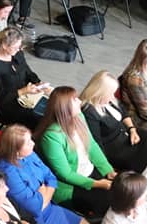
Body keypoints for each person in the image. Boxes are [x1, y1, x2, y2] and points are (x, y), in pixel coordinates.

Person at [36, 86, 115, 216]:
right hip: (71, 185)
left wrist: (108, 170)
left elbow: (92, 145)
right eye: (75, 99)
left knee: (118, 194)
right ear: (65, 107)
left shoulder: (79, 117)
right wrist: (97, 184)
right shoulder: (51, 136)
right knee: (107, 204)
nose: (80, 101)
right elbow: (66, 174)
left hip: (89, 172)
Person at [0, 125, 86, 224]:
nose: (33, 143)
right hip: (37, 218)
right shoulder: (9, 174)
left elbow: (51, 177)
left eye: (31, 139)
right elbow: (34, 208)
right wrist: (46, 191)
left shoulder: (29, 154)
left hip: (50, 207)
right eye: (28, 143)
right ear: (16, 151)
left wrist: (44, 194)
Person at [79, 71, 144, 173]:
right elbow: (96, 142)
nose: (112, 97)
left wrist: (132, 129)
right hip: (115, 150)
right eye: (110, 93)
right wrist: (106, 166)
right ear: (100, 92)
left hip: (126, 134)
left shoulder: (109, 100)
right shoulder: (89, 112)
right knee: (145, 159)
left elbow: (123, 112)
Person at [0, 28, 48, 129]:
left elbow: (27, 72)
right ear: (4, 45)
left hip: (26, 96)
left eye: (19, 46)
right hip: (9, 106)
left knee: (51, 107)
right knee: (40, 118)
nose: (18, 49)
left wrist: (39, 83)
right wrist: (23, 91)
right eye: (16, 47)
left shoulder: (17, 54)